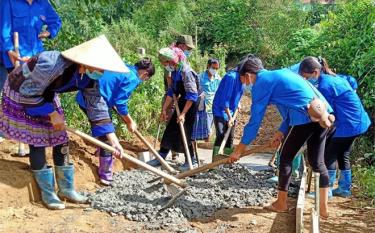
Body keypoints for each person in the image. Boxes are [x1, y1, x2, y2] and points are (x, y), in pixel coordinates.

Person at [0, 35, 127, 210]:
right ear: (85, 62)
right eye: (100, 68)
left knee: (61, 139)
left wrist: (113, 139)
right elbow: (28, 92)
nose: (102, 72)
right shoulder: (52, 64)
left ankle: (66, 189)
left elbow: (96, 104)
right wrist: (51, 113)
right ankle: (48, 193)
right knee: (38, 141)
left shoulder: (90, 77)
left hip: (47, 94)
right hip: (23, 92)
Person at [228, 55, 335, 218]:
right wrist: (280, 132)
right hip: (322, 114)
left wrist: (239, 149)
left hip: (305, 118)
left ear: (248, 75)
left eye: (243, 80)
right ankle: (324, 209)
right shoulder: (279, 75)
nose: (245, 84)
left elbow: (254, 121)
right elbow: (289, 108)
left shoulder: (262, 84)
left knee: (285, 158)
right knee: (317, 162)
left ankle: (281, 203)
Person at [298, 56, 371, 198]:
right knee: (343, 153)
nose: (306, 80)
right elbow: (352, 81)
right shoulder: (334, 77)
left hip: (348, 124)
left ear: (315, 72)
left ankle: (327, 191)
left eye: (307, 77)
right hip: (359, 122)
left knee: (328, 155)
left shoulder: (325, 85)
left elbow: (324, 112)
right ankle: (344, 189)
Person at [76, 58, 155, 185]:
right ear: (145, 74)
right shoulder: (133, 78)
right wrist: (129, 121)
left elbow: (113, 89)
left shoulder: (124, 67)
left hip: (85, 97)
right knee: (106, 135)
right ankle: (105, 174)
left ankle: (100, 151)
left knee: (104, 126)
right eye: (146, 79)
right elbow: (120, 103)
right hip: (94, 101)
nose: (143, 81)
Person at [148, 47, 199, 170]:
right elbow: (172, 92)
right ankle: (161, 156)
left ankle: (191, 161)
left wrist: (183, 114)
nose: (164, 65)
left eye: (164, 63)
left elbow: (192, 95)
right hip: (183, 99)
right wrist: (164, 109)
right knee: (171, 127)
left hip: (192, 103)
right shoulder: (175, 71)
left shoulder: (186, 72)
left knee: (185, 131)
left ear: (171, 61)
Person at [1, 0, 62, 71]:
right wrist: (9, 50)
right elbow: (4, 31)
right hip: (15, 58)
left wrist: (49, 32)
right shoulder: (8, 2)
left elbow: (56, 21)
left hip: (37, 56)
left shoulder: (42, 3)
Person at [211, 64, 244, 160]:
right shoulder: (231, 77)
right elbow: (224, 100)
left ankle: (226, 162)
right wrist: (230, 117)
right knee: (221, 135)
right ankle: (215, 164)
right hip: (220, 110)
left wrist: (238, 103)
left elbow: (238, 93)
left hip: (232, 111)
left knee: (230, 137)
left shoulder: (243, 79)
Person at [191, 58, 221, 142]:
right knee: (205, 131)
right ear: (208, 66)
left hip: (214, 107)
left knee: (210, 132)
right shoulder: (200, 77)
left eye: (216, 68)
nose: (214, 70)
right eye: (213, 68)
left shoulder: (218, 79)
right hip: (202, 107)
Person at [289, 57, 358, 91]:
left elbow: (351, 80)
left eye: (306, 77)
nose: (304, 79)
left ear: (315, 72)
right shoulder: (297, 70)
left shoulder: (326, 79)